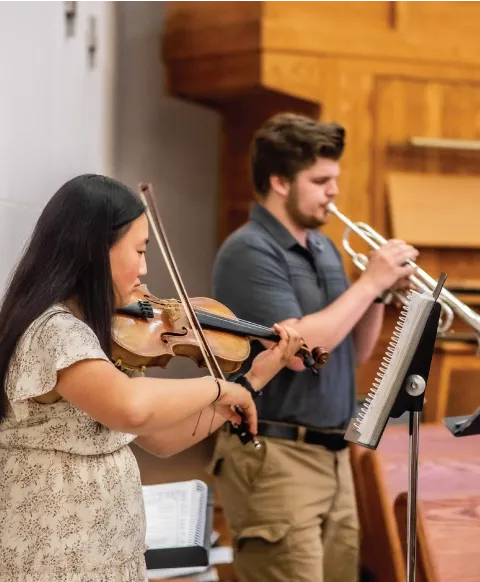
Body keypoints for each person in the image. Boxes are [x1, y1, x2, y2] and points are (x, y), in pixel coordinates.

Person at [0, 173, 304, 582]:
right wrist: (217, 385)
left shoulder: (92, 333)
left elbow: (162, 438)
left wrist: (253, 380)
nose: (144, 269)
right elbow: (132, 408)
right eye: (139, 251)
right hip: (55, 559)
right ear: (95, 250)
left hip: (103, 556)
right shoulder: (55, 331)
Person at [209, 112, 419, 582]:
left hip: (334, 454)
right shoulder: (248, 250)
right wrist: (369, 283)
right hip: (277, 457)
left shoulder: (324, 248)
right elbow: (300, 353)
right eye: (321, 180)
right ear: (280, 182)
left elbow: (354, 352)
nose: (334, 192)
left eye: (335, 180)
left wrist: (381, 295)